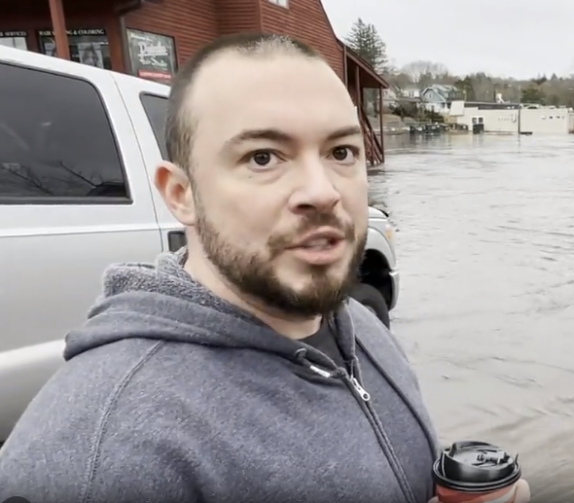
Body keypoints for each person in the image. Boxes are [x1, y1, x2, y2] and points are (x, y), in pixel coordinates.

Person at [0, 33, 522, 503]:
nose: (322, 192)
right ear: (181, 194)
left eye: (342, 151)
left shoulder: (360, 330)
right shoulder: (107, 451)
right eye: (263, 158)